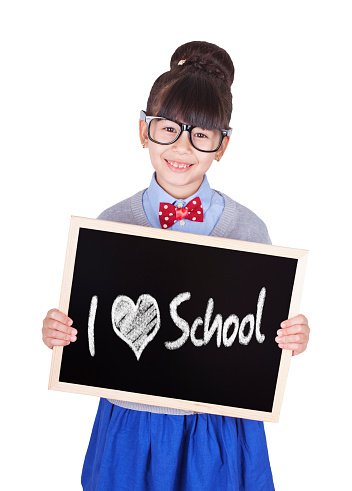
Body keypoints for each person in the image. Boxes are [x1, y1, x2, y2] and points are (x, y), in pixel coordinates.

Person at [42, 41, 310, 490]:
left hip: (217, 430)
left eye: (201, 134)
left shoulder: (248, 229)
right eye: (168, 128)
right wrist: (57, 332)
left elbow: (260, 333)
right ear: (144, 130)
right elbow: (89, 324)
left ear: (222, 145)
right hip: (131, 424)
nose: (182, 147)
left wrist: (291, 336)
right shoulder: (110, 225)